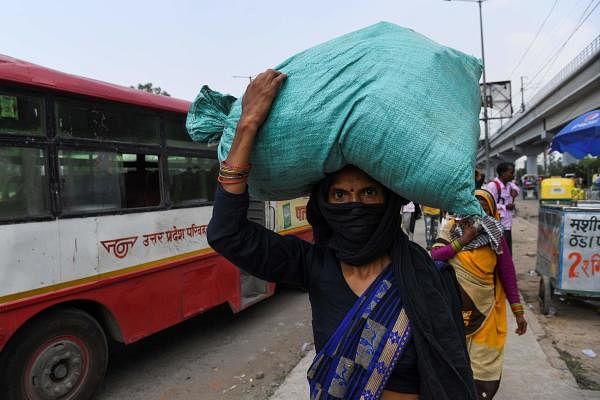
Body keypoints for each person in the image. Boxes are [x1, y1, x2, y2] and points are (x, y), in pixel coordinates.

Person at [207, 69, 476, 399]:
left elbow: (452, 377)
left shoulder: (429, 278)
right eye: (340, 195)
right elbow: (227, 233)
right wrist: (248, 124)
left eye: (368, 194)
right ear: (324, 204)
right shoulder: (313, 264)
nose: (354, 205)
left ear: (389, 200)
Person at [431, 189, 527, 400]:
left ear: (491, 210)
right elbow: (435, 256)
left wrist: (518, 311)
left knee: (483, 367)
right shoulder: (451, 227)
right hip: (453, 309)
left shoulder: (496, 234)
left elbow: (507, 272)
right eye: (474, 205)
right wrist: (463, 240)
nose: (478, 210)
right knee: (452, 362)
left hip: (486, 310)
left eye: (484, 206)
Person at [485, 162, 519, 253]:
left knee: (507, 251)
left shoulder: (510, 185)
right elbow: (488, 204)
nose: (513, 175)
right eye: (511, 173)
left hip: (507, 224)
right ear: (503, 173)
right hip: (497, 225)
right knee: (499, 252)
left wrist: (515, 192)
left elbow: (517, 189)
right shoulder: (492, 186)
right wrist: (505, 207)